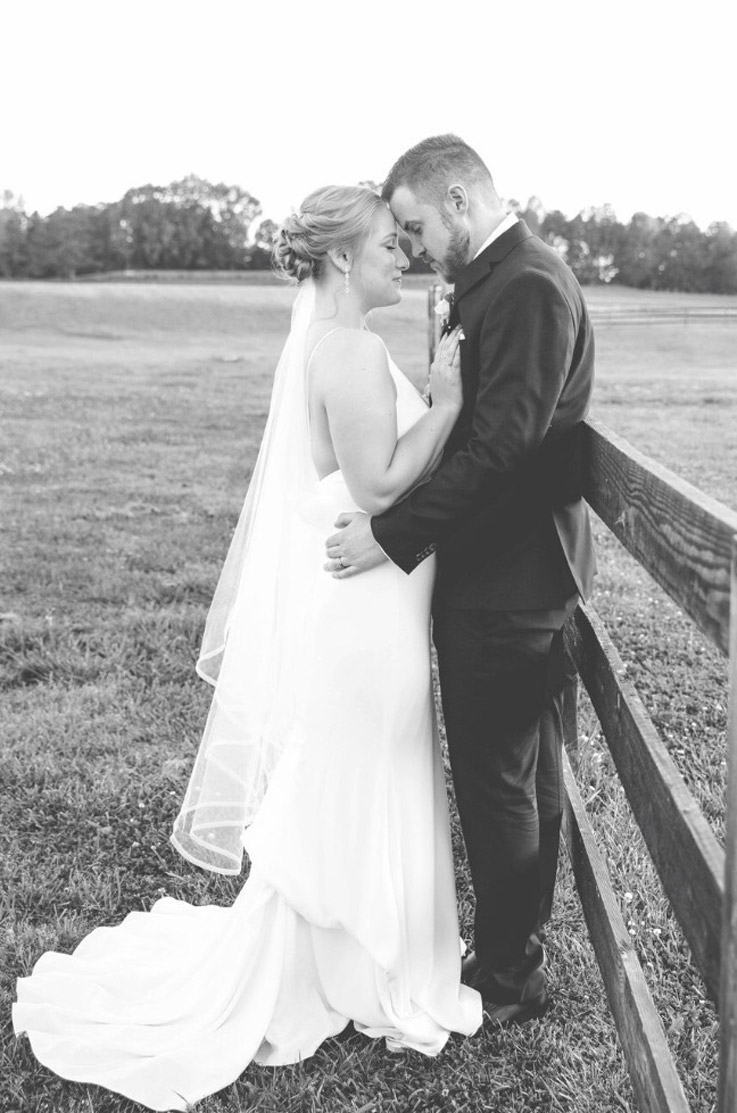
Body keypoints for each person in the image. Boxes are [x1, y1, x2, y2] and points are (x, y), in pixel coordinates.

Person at [12, 185, 482, 1112]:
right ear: (342, 259)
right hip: (369, 612)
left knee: (367, 766)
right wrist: (451, 401)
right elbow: (382, 487)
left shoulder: (345, 342)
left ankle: (358, 956)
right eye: (389, 242)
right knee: (361, 769)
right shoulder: (345, 349)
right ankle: (345, 967)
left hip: (376, 606)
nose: (404, 254)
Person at [324, 136, 597, 1023]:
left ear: (455, 197)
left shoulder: (527, 282)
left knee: (499, 781)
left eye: (412, 226)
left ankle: (509, 975)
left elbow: (505, 445)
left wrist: (393, 535)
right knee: (515, 775)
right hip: (495, 571)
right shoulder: (489, 278)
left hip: (514, 580)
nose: (409, 246)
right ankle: (515, 951)